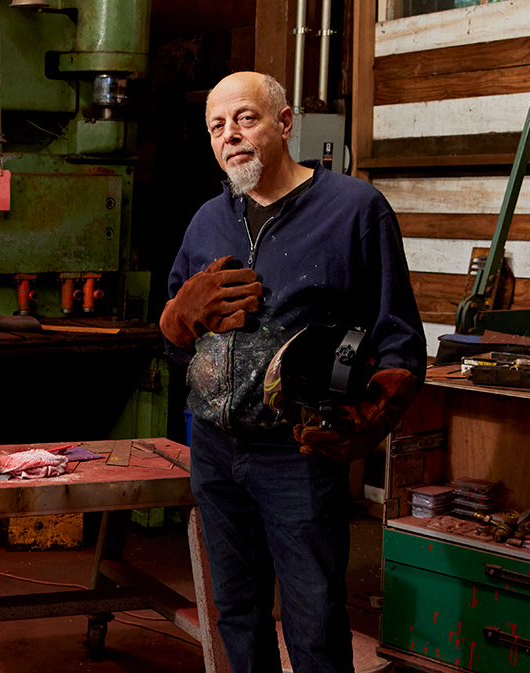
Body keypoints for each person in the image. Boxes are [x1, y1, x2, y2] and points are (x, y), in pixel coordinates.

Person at [159, 71, 426, 673]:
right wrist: (180, 318)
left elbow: (400, 342)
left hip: (298, 454)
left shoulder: (354, 210)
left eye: (246, 119)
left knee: (313, 615)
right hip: (215, 449)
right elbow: (175, 341)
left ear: (284, 124)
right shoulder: (207, 220)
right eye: (217, 126)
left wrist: (369, 419)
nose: (231, 136)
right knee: (236, 611)